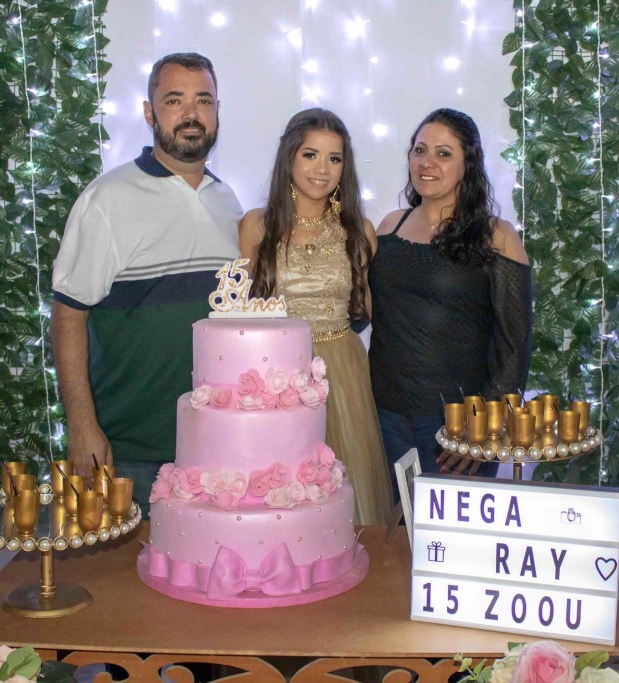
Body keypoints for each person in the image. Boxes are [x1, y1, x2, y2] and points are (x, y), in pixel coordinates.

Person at [51, 53, 241, 511]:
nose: (191, 114)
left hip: (215, 447)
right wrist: (82, 426)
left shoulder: (228, 202)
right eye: (174, 100)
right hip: (129, 451)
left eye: (203, 100)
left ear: (217, 111)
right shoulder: (107, 199)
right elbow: (68, 314)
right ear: (149, 113)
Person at [239, 108, 393, 525]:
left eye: (334, 158)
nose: (322, 169)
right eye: (310, 155)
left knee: (345, 490)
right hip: (275, 371)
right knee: (282, 490)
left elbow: (371, 309)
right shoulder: (256, 226)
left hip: (342, 370)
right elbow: (242, 311)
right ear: (289, 156)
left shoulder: (359, 231)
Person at [369, 108, 532, 493]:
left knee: (449, 530)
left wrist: (486, 424)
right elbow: (368, 312)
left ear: (468, 165)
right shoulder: (389, 226)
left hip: (456, 425)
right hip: (383, 415)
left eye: (443, 154)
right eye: (419, 150)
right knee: (397, 528)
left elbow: (515, 342)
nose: (427, 162)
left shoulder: (496, 235)